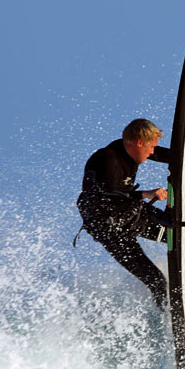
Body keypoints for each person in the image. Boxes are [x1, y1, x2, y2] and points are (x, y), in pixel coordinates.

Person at [75, 119, 177, 309]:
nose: (153, 152)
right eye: (151, 147)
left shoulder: (130, 151)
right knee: (156, 280)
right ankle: (170, 322)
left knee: (180, 232)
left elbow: (164, 154)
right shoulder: (107, 158)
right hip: (109, 229)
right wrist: (145, 194)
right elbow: (105, 197)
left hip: (130, 215)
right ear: (139, 142)